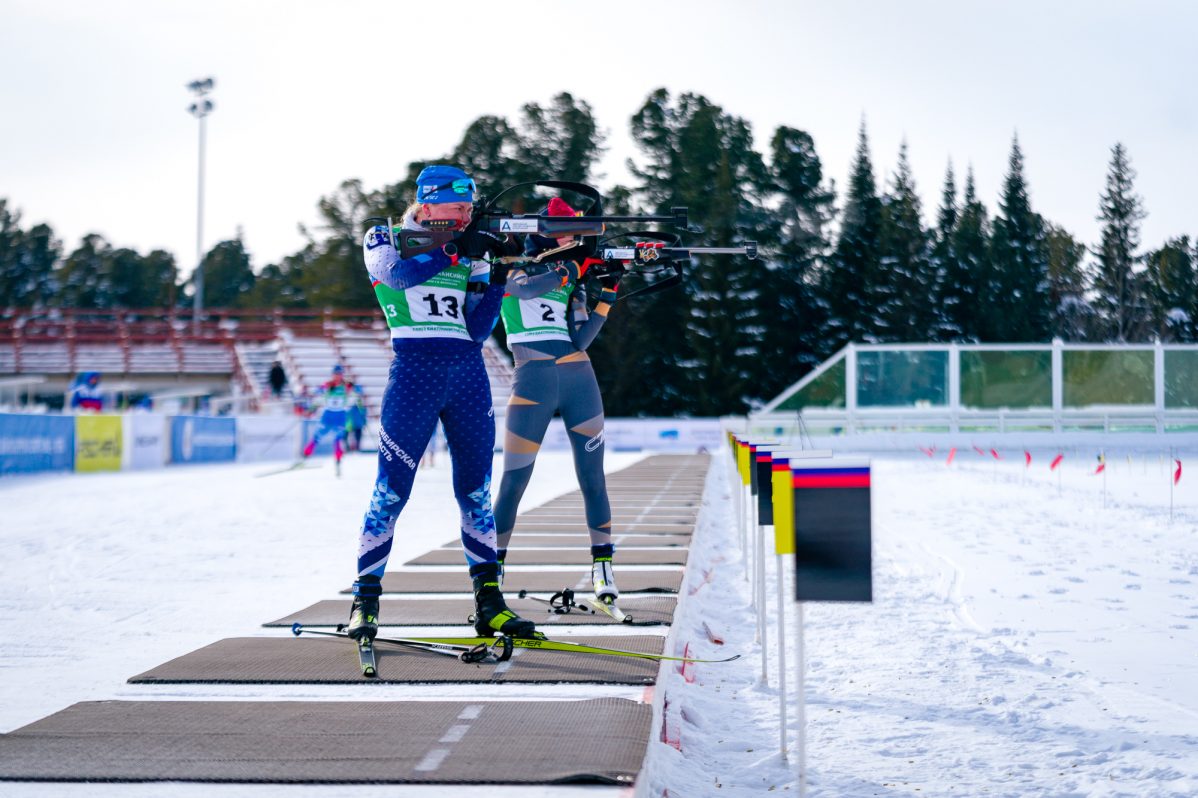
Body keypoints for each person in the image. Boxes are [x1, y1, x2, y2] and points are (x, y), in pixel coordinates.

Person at [349, 164, 537, 643]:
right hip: (415, 369)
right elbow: (395, 277)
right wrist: (455, 248)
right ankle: (365, 601)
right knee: (392, 489)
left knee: (476, 491)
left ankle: (489, 603)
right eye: (457, 208)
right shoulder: (383, 236)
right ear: (427, 205)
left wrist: (498, 273)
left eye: (470, 210)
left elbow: (476, 330)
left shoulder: (468, 243)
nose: (465, 216)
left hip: (466, 372)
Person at [492, 197, 624, 607]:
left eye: (576, 233)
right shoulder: (511, 263)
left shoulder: (571, 277)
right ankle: (491, 574)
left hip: (578, 376)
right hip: (531, 380)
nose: (573, 238)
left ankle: (603, 565)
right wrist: (569, 268)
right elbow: (521, 287)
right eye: (565, 231)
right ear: (541, 231)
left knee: (593, 478)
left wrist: (607, 294)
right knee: (513, 481)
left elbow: (581, 338)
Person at [302, 364, 352, 476]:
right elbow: (317, 394)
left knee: (338, 439)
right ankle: (305, 456)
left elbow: (355, 391)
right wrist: (310, 408)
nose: (337, 376)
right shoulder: (328, 384)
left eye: (339, 374)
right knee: (318, 435)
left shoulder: (346, 386)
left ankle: (338, 462)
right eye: (335, 374)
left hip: (340, 414)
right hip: (328, 414)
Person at [345, 384, 367, 452]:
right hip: (347, 419)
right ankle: (347, 447)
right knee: (346, 433)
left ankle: (357, 447)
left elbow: (361, 408)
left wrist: (363, 417)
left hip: (356, 419)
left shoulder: (356, 397)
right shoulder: (344, 396)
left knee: (357, 432)